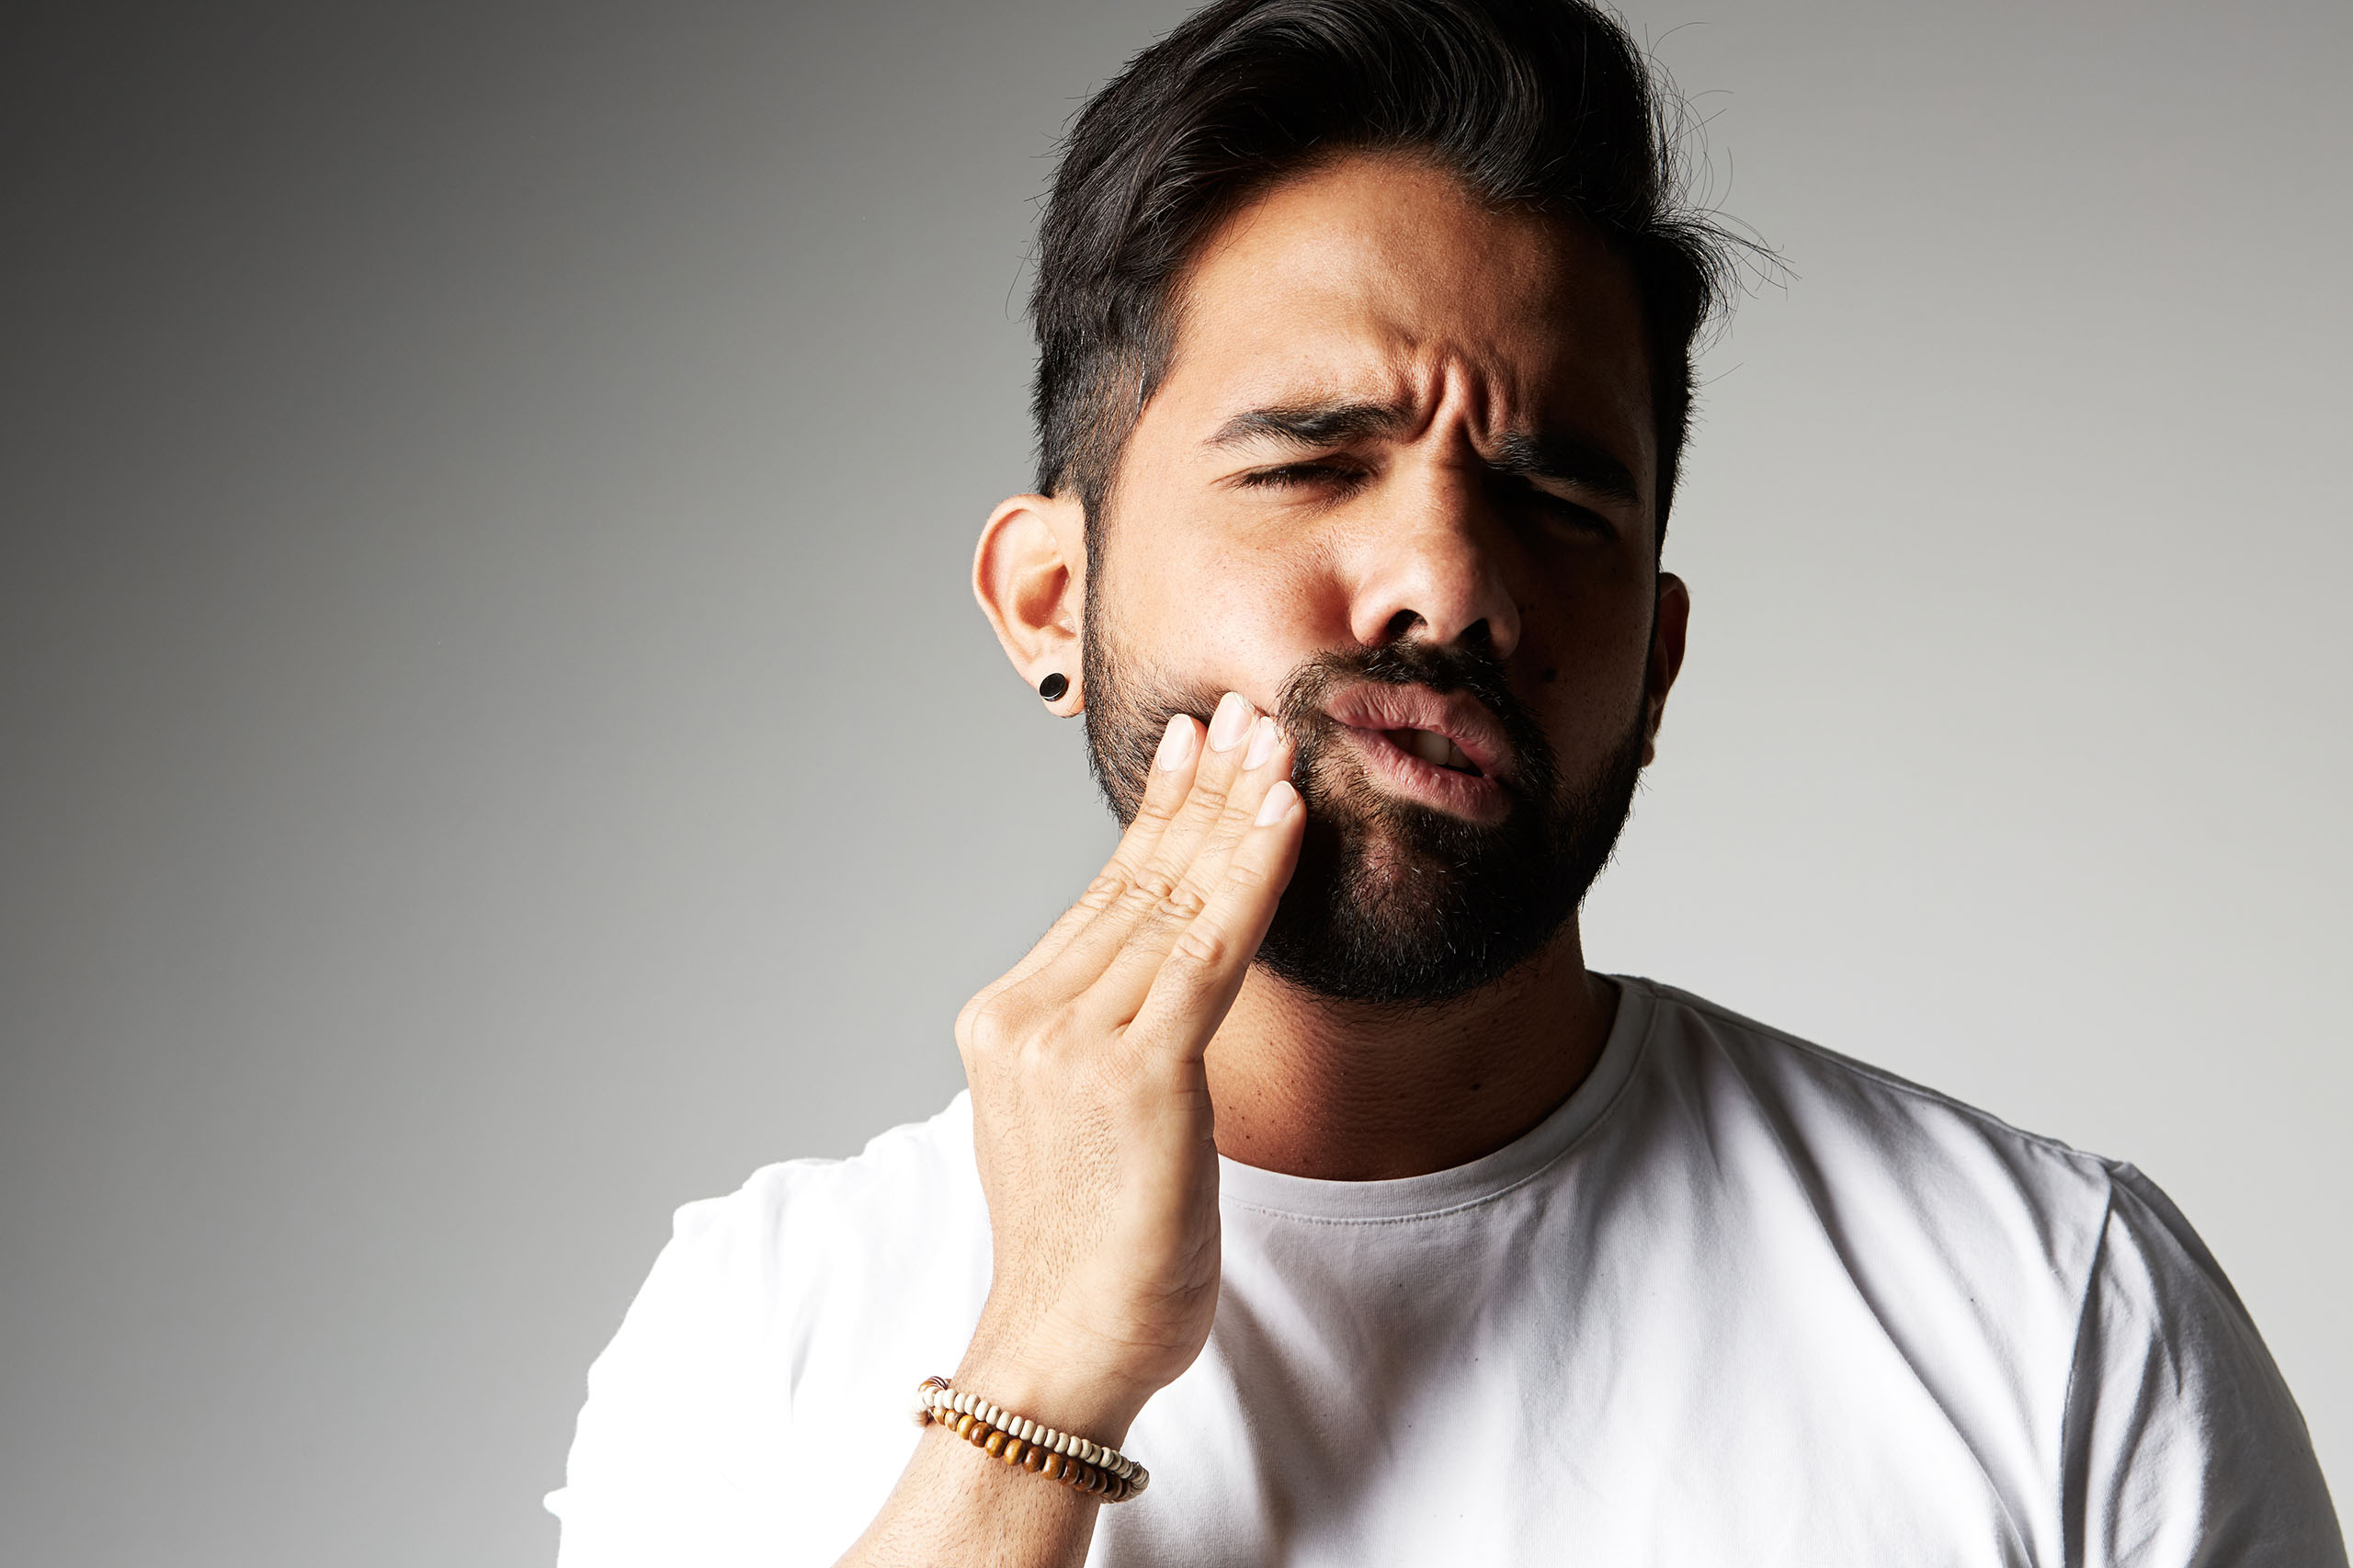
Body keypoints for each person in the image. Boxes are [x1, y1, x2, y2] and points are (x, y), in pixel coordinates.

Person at [547, 1, 2344, 1562]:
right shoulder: (759, 1321)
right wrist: (1033, 1377)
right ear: (1048, 596)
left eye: (1554, 505)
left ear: (1652, 660)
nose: (1446, 579)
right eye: (1315, 463)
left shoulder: (2049, 1304)